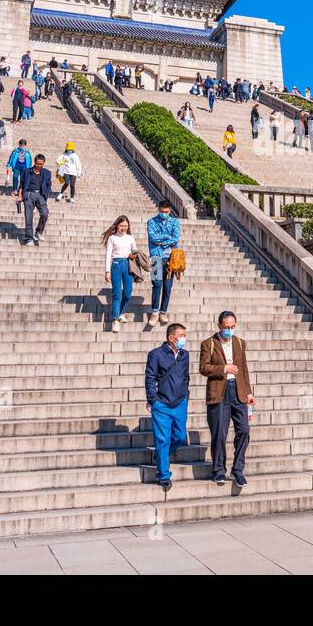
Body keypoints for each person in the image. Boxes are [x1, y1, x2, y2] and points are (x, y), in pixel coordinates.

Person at [200, 311, 255, 488]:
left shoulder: (239, 342)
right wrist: (224, 368)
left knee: (244, 430)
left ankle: (238, 469)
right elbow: (203, 368)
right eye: (226, 327)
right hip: (219, 392)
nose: (229, 330)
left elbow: (244, 369)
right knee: (219, 434)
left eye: (232, 327)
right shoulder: (209, 344)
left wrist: (249, 392)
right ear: (219, 326)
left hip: (238, 392)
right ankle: (219, 470)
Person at [145, 322, 190, 491]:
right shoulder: (156, 354)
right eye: (181, 336)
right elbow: (150, 378)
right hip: (162, 404)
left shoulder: (185, 355)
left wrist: (186, 395)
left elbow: (186, 377)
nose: (183, 339)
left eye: (184, 336)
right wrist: (153, 399)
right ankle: (163, 475)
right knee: (162, 439)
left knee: (180, 437)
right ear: (171, 337)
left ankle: (160, 455)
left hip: (180, 402)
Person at [146, 199, 181, 327]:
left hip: (171, 259)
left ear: (170, 210)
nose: (164, 213)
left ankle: (163, 312)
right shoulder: (151, 222)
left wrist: (163, 241)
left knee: (167, 286)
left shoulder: (175, 222)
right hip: (156, 257)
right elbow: (153, 237)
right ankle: (155, 312)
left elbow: (176, 238)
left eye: (166, 212)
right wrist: (168, 238)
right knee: (156, 284)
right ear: (158, 209)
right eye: (161, 211)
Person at [102, 214, 137, 332]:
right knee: (117, 294)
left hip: (128, 265)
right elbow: (108, 255)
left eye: (126, 226)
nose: (123, 228)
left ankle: (121, 312)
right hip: (116, 265)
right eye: (121, 225)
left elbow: (135, 251)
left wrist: (133, 255)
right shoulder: (112, 238)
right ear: (117, 225)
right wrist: (107, 271)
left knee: (127, 293)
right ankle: (115, 320)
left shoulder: (130, 238)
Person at [18, 154, 52, 247]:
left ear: (44, 163)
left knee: (45, 213)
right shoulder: (27, 171)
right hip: (28, 194)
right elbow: (21, 184)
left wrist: (46, 194)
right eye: (37, 164)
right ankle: (29, 238)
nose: (39, 166)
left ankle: (38, 232)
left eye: (41, 164)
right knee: (29, 217)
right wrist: (20, 196)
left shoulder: (47, 173)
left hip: (40, 195)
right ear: (34, 162)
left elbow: (49, 185)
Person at [5, 138, 32, 212]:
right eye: (21, 145)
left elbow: (30, 161)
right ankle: (14, 190)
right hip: (16, 167)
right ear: (19, 145)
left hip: (24, 168)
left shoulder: (27, 152)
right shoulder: (15, 151)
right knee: (15, 177)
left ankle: (21, 191)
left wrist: (29, 168)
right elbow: (11, 158)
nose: (22, 146)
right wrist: (8, 164)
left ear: (25, 145)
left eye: (23, 145)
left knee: (22, 180)